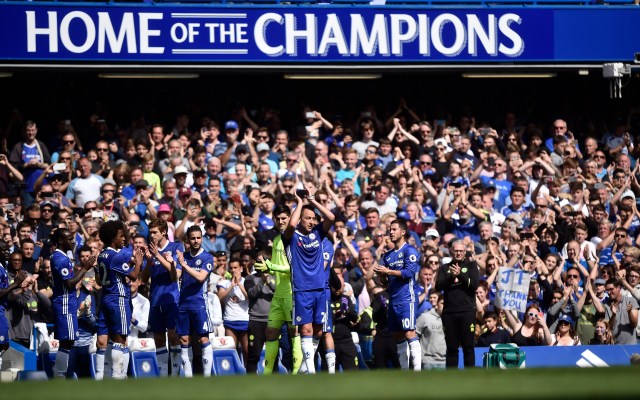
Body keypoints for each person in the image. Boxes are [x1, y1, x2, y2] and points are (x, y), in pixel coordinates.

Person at [282, 190, 335, 374]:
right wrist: (299, 203)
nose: (312, 222)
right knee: (305, 329)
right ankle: (311, 372)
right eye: (308, 218)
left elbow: (331, 217)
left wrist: (312, 200)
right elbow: (291, 224)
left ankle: (305, 367)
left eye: (314, 218)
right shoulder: (292, 236)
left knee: (318, 331)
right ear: (300, 218)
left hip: (320, 288)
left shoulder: (318, 233)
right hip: (302, 290)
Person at [254, 204, 303, 375]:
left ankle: (297, 372)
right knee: (271, 332)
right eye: (278, 218)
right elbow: (275, 269)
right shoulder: (276, 240)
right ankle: (267, 374)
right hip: (278, 293)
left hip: (291, 292)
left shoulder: (294, 239)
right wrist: (264, 268)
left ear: (290, 218)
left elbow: (296, 268)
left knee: (294, 332)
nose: (281, 221)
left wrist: (272, 265)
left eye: (284, 218)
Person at [95, 221, 144, 379]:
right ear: (112, 238)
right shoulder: (115, 256)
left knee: (110, 340)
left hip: (107, 298)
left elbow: (104, 277)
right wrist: (138, 263)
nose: (124, 239)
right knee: (120, 339)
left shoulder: (102, 255)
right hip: (119, 298)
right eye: (120, 236)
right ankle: (117, 376)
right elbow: (134, 276)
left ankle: (108, 376)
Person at [374, 219, 421, 371]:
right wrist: (382, 275)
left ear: (403, 232)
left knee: (409, 333)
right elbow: (385, 283)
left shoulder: (410, 251)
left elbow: (409, 273)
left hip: (407, 298)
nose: (391, 232)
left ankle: (418, 371)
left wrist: (387, 271)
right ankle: (405, 371)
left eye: (394, 229)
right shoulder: (387, 256)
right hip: (393, 300)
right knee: (398, 336)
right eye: (390, 229)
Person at [50, 228, 96, 378]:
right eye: (69, 239)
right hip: (64, 303)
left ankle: (59, 373)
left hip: (66, 302)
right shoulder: (60, 259)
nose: (73, 241)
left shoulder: (62, 257)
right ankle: (59, 374)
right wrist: (85, 268)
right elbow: (70, 283)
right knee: (67, 341)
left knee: (68, 341)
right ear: (61, 241)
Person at [140, 219, 184, 376]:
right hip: (155, 300)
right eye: (150, 232)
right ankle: (163, 374)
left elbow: (175, 276)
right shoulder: (151, 251)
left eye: (154, 232)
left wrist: (158, 255)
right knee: (158, 338)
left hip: (172, 299)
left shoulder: (176, 247)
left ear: (164, 232)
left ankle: (176, 373)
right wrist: (149, 261)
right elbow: (143, 279)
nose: (151, 235)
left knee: (173, 336)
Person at [175, 225, 214, 377]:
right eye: (193, 238)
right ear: (188, 240)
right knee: (184, 339)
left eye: (198, 237)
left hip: (199, 304)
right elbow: (176, 276)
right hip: (183, 304)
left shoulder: (207, 257)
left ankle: (207, 377)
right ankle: (189, 378)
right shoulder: (182, 256)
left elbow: (201, 277)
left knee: (203, 338)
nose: (196, 241)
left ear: (202, 238)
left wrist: (184, 265)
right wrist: (172, 264)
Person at [436, 239, 479, 369]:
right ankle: (451, 378)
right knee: (451, 347)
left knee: (468, 346)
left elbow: (474, 286)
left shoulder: (471, 266)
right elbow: (438, 287)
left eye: (461, 251)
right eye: (456, 251)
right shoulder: (445, 268)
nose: (458, 253)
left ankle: (470, 377)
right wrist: (451, 277)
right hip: (449, 312)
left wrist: (460, 275)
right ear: (451, 251)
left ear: (465, 252)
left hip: (467, 311)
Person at [0, 252, 28, 372]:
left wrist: (19, 288)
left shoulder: (2, 267)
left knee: (4, 345)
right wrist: (15, 284)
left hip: (2, 310)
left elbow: (7, 295)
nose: (7, 251)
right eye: (3, 249)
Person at [415, 293, 446, 370]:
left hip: (445, 362)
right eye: (442, 303)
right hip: (427, 362)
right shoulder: (425, 317)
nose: (444, 306)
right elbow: (414, 336)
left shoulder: (451, 321)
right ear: (437, 304)